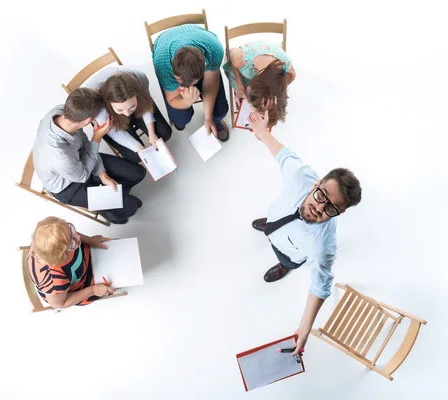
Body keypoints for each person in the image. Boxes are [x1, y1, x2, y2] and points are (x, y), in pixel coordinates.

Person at [247, 110, 362, 356]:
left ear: (339, 213)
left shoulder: (323, 246)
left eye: (331, 208)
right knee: (272, 223)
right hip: (277, 218)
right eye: (321, 195)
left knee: (286, 260)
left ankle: (284, 266)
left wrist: (304, 328)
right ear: (315, 184)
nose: (319, 207)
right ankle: (270, 226)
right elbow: (283, 155)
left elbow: (320, 286)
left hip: (289, 252)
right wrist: (262, 132)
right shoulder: (300, 176)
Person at [33, 88, 146, 224]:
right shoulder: (60, 157)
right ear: (87, 121)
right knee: (132, 206)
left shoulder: (61, 111)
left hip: (81, 159)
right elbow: (83, 175)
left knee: (138, 173)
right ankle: (110, 212)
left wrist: (103, 175)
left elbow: (86, 145)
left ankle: (113, 195)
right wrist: (97, 137)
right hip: (69, 187)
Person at [152, 24, 230, 141]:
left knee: (220, 110)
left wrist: (208, 117)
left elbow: (210, 82)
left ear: (204, 67)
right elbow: (172, 98)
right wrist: (186, 101)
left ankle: (215, 120)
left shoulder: (215, 49)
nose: (187, 86)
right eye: (179, 80)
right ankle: (181, 119)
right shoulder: (162, 65)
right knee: (180, 118)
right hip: (165, 45)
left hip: (200, 39)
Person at [83, 65, 172, 162]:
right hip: (107, 116)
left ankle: (126, 107)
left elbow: (146, 104)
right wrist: (142, 150)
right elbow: (114, 132)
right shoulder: (96, 106)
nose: (127, 114)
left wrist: (151, 133)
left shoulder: (140, 78)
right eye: (120, 110)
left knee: (164, 133)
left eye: (132, 106)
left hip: (129, 103)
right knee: (136, 156)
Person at [27, 217, 114, 308]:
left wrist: (89, 240)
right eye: (71, 243)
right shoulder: (54, 282)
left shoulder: (43, 232)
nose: (78, 237)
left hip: (84, 257)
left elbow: (64, 236)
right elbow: (60, 304)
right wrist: (93, 290)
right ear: (61, 256)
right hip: (84, 285)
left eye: (71, 230)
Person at [223, 41, 296, 128]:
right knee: (244, 99)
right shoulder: (240, 58)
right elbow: (230, 54)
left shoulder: (288, 71)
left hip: (263, 75)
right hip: (242, 67)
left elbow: (283, 85)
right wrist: (240, 85)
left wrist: (275, 98)